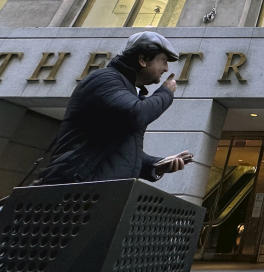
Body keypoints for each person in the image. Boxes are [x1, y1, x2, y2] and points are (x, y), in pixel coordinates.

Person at [37, 31, 192, 185]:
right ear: (143, 60)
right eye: (163, 61)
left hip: (100, 191)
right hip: (75, 189)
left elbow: (120, 151)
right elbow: (137, 114)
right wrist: (165, 93)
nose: (166, 68)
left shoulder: (128, 90)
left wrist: (157, 165)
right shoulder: (105, 79)